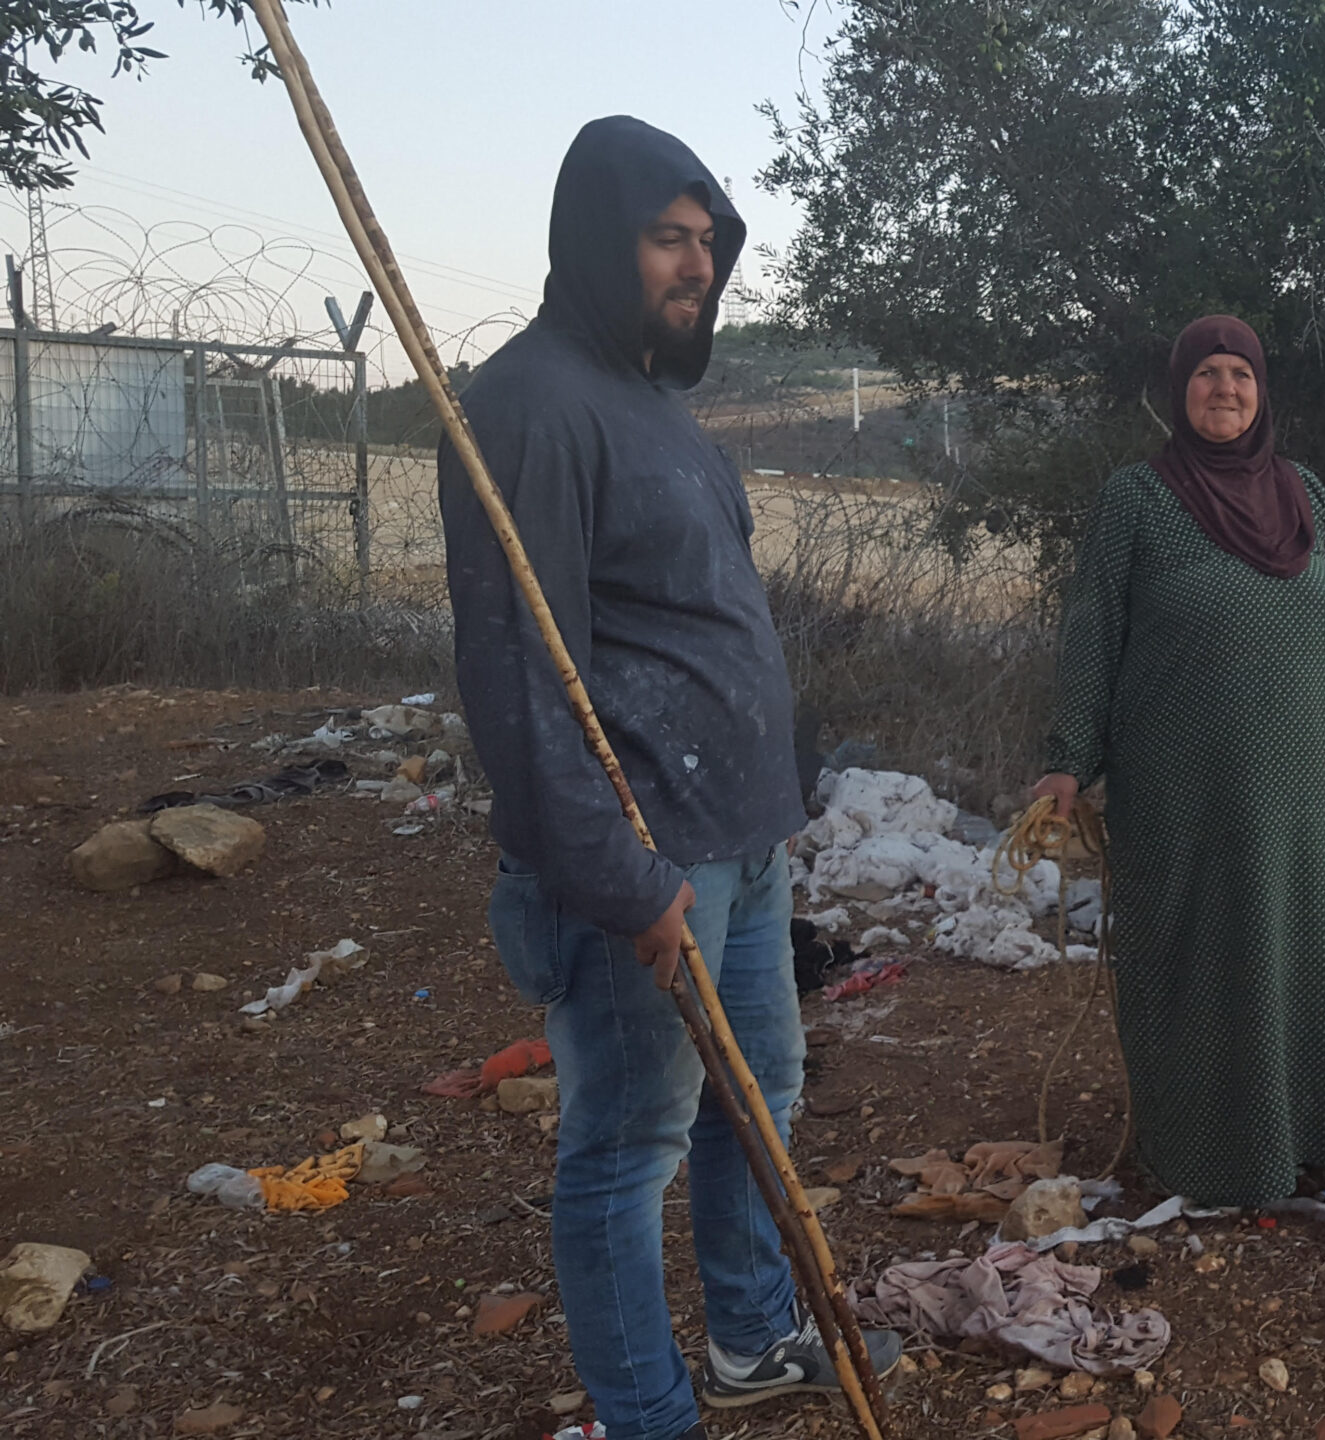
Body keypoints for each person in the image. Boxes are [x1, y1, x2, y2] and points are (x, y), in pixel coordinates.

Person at [439, 116, 895, 1440]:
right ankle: (647, 1414)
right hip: (645, 858)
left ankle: (751, 1339)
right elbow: (523, 675)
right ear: (598, 238)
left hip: (740, 846)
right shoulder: (529, 404)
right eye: (666, 238)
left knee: (760, 1107)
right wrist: (618, 880)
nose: (696, 265)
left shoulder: (654, 403)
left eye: (708, 241)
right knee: (627, 1148)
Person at [1029, 314, 1325, 1209]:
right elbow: (1092, 637)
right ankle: (1213, 1158)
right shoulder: (1138, 500)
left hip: (1303, 791)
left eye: (1240, 374)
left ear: (1261, 391)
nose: (1223, 390)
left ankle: (1318, 1136)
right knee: (1203, 956)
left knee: (1304, 951)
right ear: (1178, 391)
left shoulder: (1304, 493)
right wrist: (1068, 760)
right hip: (1185, 789)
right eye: (1206, 375)